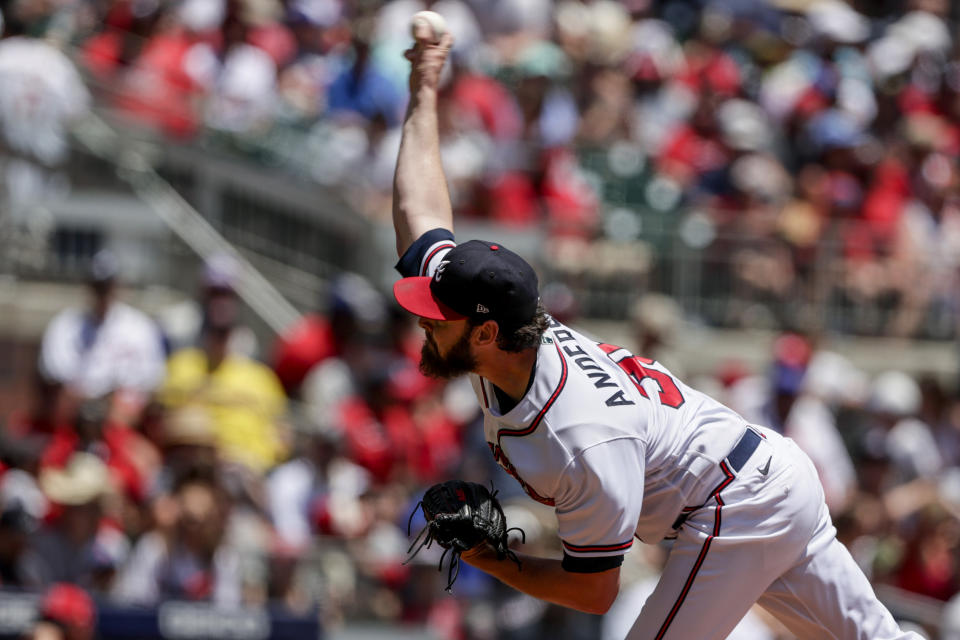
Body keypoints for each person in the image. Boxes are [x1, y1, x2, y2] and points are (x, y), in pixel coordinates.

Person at [387, 23, 923, 640]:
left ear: (484, 334)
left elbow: (592, 591)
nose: (423, 318)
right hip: (765, 477)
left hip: (733, 506)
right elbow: (421, 216)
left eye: (437, 314)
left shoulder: (579, 435)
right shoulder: (506, 329)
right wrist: (425, 86)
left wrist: (490, 559)